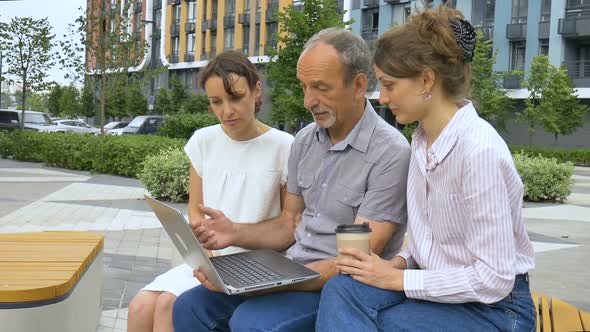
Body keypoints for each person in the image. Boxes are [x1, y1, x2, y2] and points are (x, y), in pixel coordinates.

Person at [172, 28, 411, 332]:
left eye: (321, 88)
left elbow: (357, 259)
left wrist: (274, 283)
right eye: (304, 87)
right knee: (190, 308)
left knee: (252, 323)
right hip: (291, 270)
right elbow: (289, 224)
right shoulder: (305, 141)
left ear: (359, 85)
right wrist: (234, 232)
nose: (309, 100)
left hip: (340, 286)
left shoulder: (389, 152)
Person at [316, 6, 536, 332]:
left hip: (497, 309)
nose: (382, 97)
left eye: (390, 84)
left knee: (391, 322)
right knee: (343, 288)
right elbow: (428, 250)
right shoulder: (421, 143)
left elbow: (494, 279)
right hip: (438, 292)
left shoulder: (478, 152)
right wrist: (393, 265)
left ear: (426, 79)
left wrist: (398, 280)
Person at [127, 51, 295, 332]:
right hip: (211, 261)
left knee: (168, 305)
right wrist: (205, 249)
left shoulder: (284, 146)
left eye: (236, 98)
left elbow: (287, 226)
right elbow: (196, 208)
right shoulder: (203, 141)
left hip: (258, 265)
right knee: (139, 306)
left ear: (256, 91)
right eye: (216, 102)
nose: (226, 111)